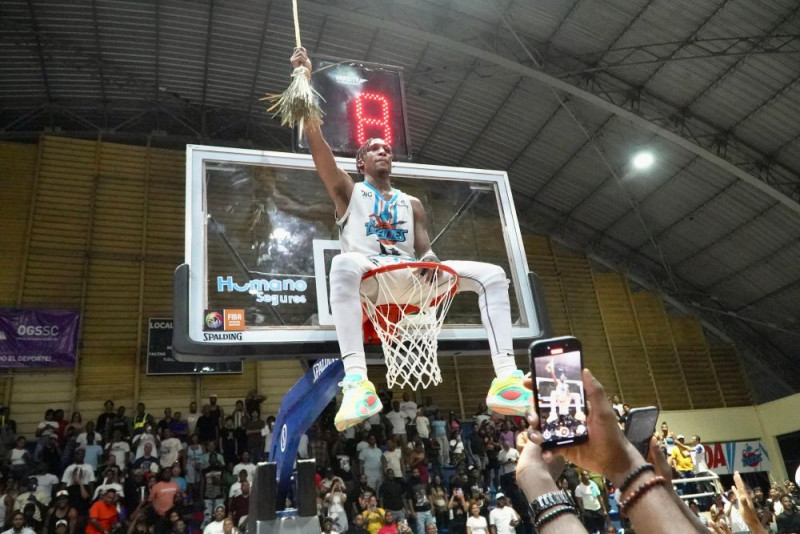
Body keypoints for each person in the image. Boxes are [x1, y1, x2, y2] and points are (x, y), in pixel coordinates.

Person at [289, 47, 531, 431]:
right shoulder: (348, 191)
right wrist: (304, 81)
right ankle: (356, 383)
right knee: (343, 262)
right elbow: (319, 150)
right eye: (373, 149)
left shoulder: (412, 203)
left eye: (386, 148)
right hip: (369, 280)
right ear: (360, 162)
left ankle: (506, 379)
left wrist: (433, 260)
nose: (383, 151)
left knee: (492, 274)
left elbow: (424, 248)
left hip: (408, 279)